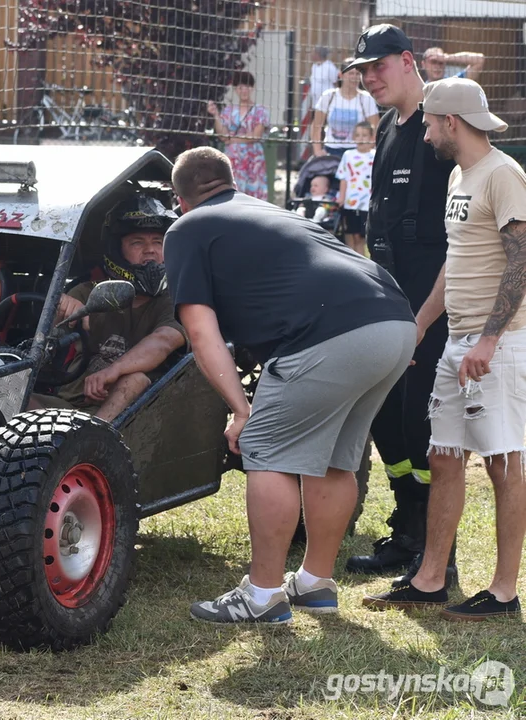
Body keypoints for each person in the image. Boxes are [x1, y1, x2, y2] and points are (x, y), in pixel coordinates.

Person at [166, 147, 415, 624]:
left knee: (265, 445)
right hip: (394, 320)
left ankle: (262, 595)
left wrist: (242, 410)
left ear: (181, 200)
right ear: (230, 182)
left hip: (330, 333)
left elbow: (201, 332)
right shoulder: (265, 211)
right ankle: (315, 582)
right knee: (335, 459)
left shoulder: (186, 229)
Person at [363, 80, 526, 620]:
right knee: (443, 455)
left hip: (496, 347)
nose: (425, 132)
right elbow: (454, 264)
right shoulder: (460, 175)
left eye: (430, 123)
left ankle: (504, 593)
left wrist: (489, 338)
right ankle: (431, 579)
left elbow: (522, 263)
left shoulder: (503, 174)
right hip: (455, 340)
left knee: (504, 464)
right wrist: (417, 326)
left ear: (451, 122)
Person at [341, 25, 458, 583]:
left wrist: (422, 322)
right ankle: (408, 529)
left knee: (422, 424)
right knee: (386, 416)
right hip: (391, 300)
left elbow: (466, 235)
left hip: (436, 306)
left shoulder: (446, 123)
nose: (367, 79)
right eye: (361, 71)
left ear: (409, 61)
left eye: (376, 67)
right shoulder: (388, 125)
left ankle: (440, 555)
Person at [29, 196, 187, 422]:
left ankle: (94, 440)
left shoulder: (175, 299)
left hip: (130, 415)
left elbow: (164, 341)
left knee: (135, 379)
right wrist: (59, 308)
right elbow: (46, 344)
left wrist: (115, 370)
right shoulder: (85, 292)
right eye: (137, 243)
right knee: (11, 396)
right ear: (117, 249)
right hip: (68, 403)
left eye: (158, 242)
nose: (150, 251)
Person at [206, 72, 270, 200]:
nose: (244, 90)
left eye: (247, 87)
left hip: (253, 159)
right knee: (233, 191)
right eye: (240, 87)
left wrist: (232, 139)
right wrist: (216, 115)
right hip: (233, 159)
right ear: (236, 89)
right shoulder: (228, 111)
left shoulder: (260, 111)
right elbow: (222, 135)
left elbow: (256, 135)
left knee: (254, 193)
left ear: (252, 88)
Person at [311, 59, 380, 159]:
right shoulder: (329, 96)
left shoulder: (366, 99)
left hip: (357, 152)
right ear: (341, 75)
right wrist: (318, 151)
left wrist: (368, 149)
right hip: (331, 150)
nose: (354, 77)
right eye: (351, 73)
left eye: (357, 74)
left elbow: (375, 128)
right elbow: (316, 126)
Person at [335, 122, 376, 255]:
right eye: (357, 135)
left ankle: (361, 260)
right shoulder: (348, 155)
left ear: (371, 137)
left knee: (361, 236)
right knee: (349, 234)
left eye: (364, 135)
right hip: (350, 202)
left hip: (366, 204)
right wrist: (341, 197)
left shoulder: (374, 156)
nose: (361, 138)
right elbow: (344, 177)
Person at [304, 46, 340, 116]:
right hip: (315, 104)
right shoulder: (314, 66)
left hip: (327, 105)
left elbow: (336, 83)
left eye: (313, 52)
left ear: (318, 54)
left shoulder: (330, 67)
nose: (311, 54)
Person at [421, 47, 485, 83]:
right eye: (433, 62)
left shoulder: (454, 82)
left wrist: (447, 57)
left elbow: (479, 60)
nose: (437, 66)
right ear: (423, 64)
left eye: (441, 62)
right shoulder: (421, 90)